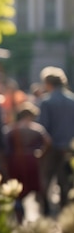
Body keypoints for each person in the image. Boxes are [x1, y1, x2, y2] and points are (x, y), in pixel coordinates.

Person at [3, 102, 51, 222]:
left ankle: (20, 213)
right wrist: (41, 153)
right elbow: (48, 142)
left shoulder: (11, 129)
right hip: (31, 159)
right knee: (37, 187)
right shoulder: (36, 128)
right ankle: (45, 213)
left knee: (18, 189)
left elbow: (4, 144)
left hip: (16, 160)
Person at [36, 65, 74, 214]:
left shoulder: (46, 101)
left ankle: (45, 208)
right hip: (68, 146)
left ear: (48, 83)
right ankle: (65, 209)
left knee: (46, 178)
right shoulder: (72, 100)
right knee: (64, 179)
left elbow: (42, 128)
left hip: (51, 146)